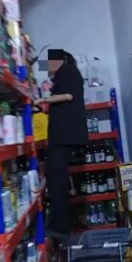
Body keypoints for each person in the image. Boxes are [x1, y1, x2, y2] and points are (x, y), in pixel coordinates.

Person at [35, 49, 87, 245]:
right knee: (57, 176)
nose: (47, 69)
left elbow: (68, 96)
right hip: (62, 134)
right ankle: (60, 224)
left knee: (56, 177)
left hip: (64, 135)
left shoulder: (68, 71)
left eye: (48, 64)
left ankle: (61, 227)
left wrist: (44, 99)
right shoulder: (66, 73)